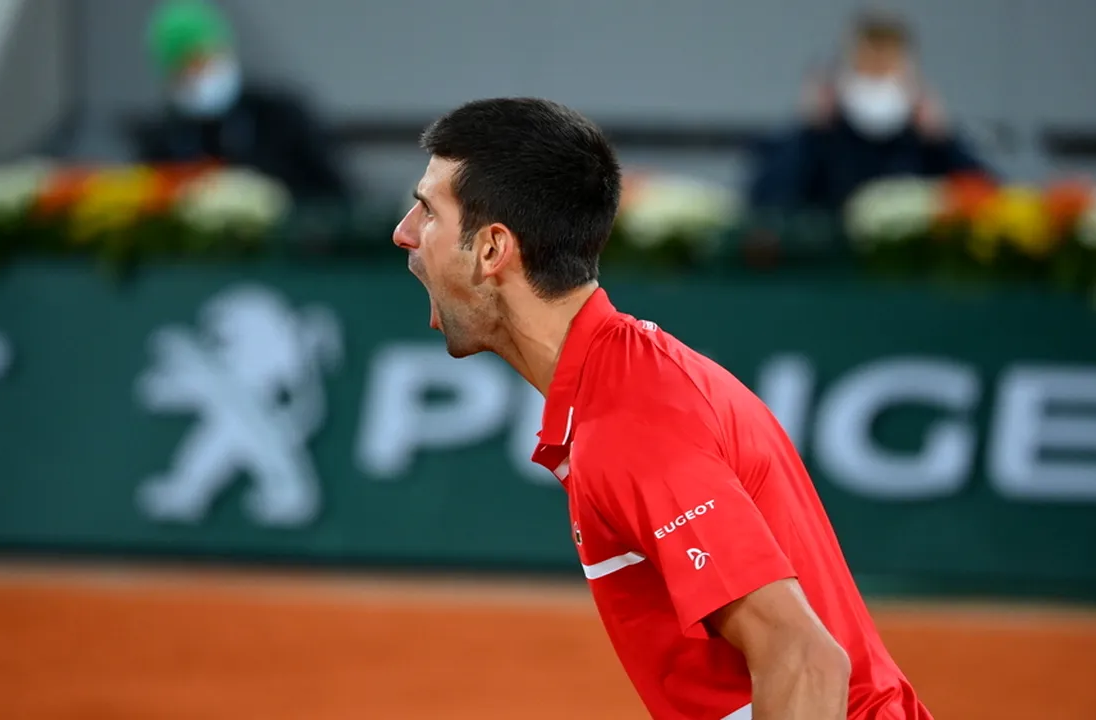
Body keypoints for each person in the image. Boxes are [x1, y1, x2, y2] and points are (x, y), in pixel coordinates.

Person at [392, 97, 933, 720]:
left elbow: (805, 657)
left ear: (492, 250)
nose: (404, 231)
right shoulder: (621, 386)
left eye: (428, 210)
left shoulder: (631, 421)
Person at [749, 10, 989, 211]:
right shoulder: (816, 137)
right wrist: (809, 131)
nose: (876, 78)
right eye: (866, 66)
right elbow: (764, 202)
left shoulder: (929, 143)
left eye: (885, 68)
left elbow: (988, 200)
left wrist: (942, 139)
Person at [132, 0, 351, 201]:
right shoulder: (163, 140)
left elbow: (337, 193)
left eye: (202, 61)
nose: (196, 76)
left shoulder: (279, 117)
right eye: (183, 71)